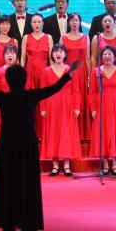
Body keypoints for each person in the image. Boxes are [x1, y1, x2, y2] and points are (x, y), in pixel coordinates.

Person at [0, 61, 77, 231]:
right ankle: (29, 225)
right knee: (28, 181)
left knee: (8, 181)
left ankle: (8, 224)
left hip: (8, 145)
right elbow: (54, 88)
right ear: (25, 80)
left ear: (8, 81)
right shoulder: (32, 96)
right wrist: (69, 73)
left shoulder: (3, 97)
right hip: (27, 144)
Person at [88, 46, 116, 176]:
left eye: (109, 54)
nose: (106, 56)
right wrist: (93, 109)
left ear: (114, 57)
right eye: (104, 54)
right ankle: (106, 165)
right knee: (103, 133)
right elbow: (92, 92)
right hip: (101, 105)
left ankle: (115, 166)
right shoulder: (96, 71)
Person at [39, 44, 80, 177]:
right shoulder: (46, 71)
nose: (58, 53)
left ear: (65, 54)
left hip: (67, 105)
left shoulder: (71, 70)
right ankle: (55, 166)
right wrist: (43, 108)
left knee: (66, 133)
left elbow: (75, 90)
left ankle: (66, 166)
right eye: (56, 51)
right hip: (51, 105)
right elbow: (43, 91)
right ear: (52, 54)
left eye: (61, 51)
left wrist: (77, 107)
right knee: (53, 132)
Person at [61, 13, 91, 140]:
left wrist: (90, 76)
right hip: (68, 72)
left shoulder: (85, 37)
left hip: (82, 72)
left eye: (77, 20)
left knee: (81, 99)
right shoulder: (63, 38)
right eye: (72, 20)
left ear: (80, 22)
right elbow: (60, 57)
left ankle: (82, 133)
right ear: (68, 23)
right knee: (69, 99)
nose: (74, 22)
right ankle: (69, 131)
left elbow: (88, 58)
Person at [0, 43, 18, 140]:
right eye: (7, 53)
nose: (10, 55)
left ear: (16, 56)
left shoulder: (20, 71)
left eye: (12, 53)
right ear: (4, 56)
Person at [20, 14, 53, 88]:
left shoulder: (49, 37)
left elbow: (51, 58)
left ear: (43, 23)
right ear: (31, 24)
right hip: (29, 72)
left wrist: (52, 73)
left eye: (39, 22)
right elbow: (23, 57)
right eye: (34, 22)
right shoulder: (26, 37)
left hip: (44, 71)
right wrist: (21, 73)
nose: (37, 24)